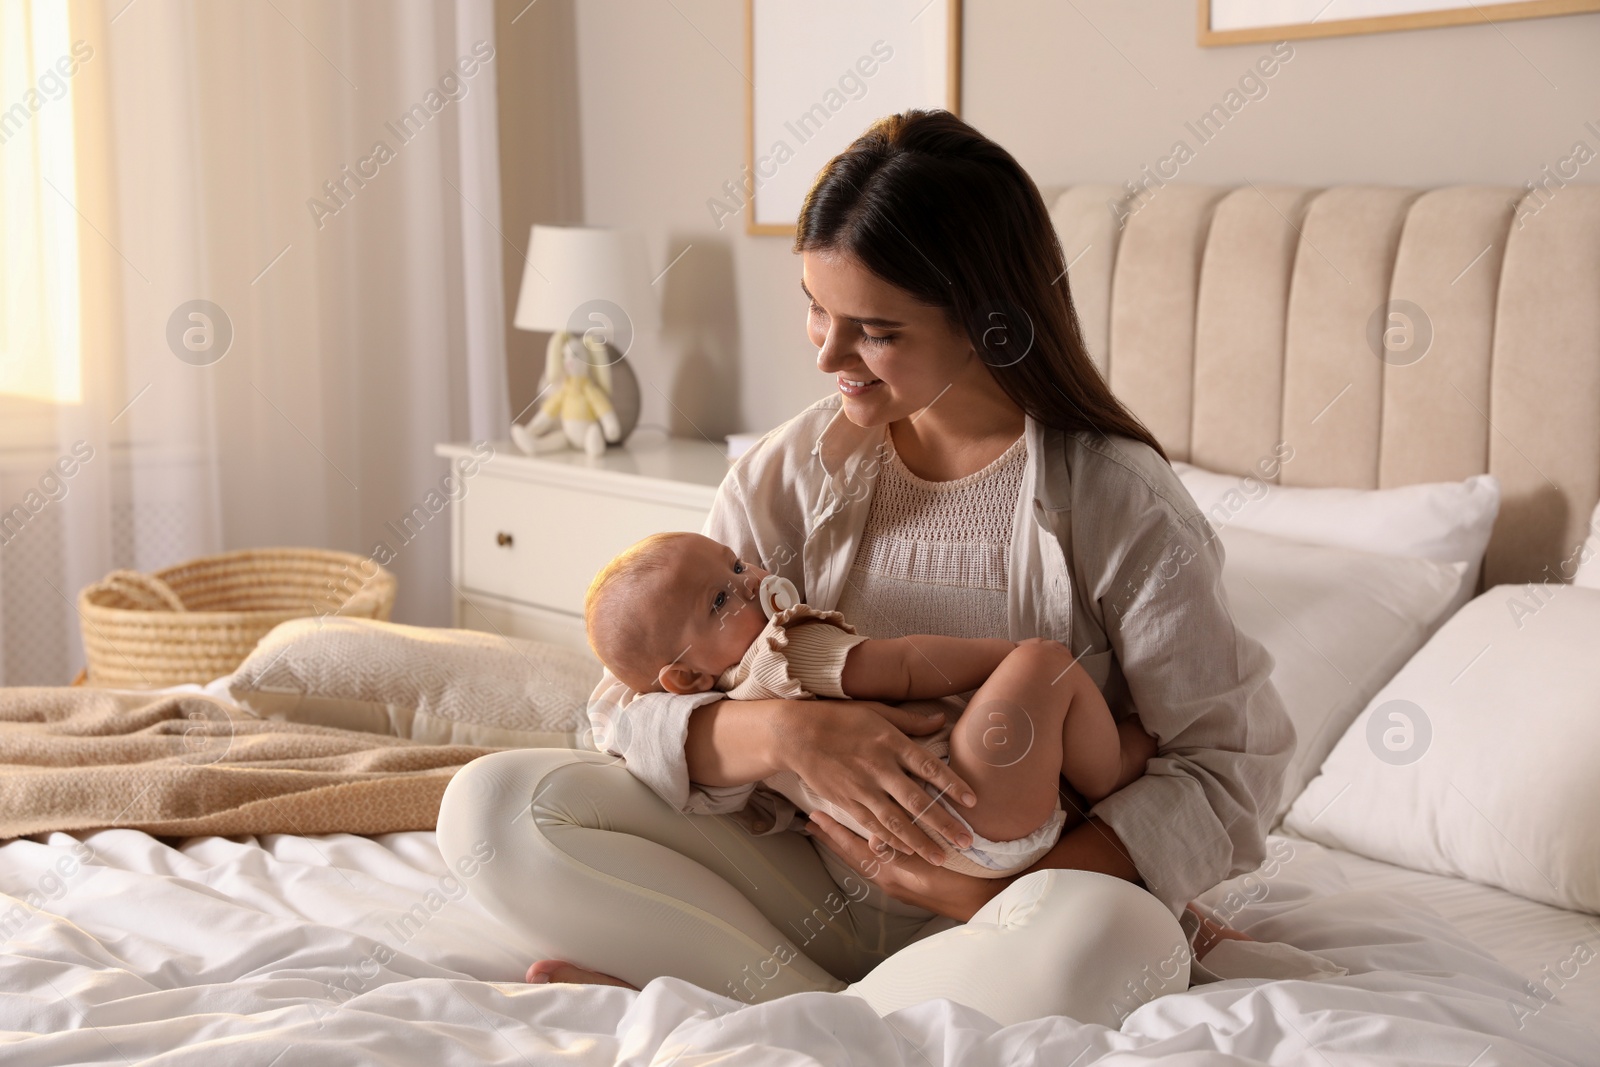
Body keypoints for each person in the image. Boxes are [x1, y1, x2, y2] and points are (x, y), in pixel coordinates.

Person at [437, 108, 1294, 1024]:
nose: (826, 352)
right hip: (802, 881)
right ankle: (835, 1014)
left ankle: (751, 1007)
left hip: (1011, 911)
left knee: (1123, 942)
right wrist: (784, 736)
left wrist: (988, 895)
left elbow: (1223, 770)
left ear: (986, 323)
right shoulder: (788, 470)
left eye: (876, 331)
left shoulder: (1120, 500)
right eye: (816, 306)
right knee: (491, 809)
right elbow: (630, 703)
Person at [582, 529, 1159, 881]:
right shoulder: (781, 650)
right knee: (1047, 663)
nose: (750, 581)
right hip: (968, 806)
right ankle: (1113, 769)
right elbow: (905, 666)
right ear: (682, 675)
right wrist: (1006, 658)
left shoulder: (717, 702)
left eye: (736, 565)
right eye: (718, 599)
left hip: (935, 852)